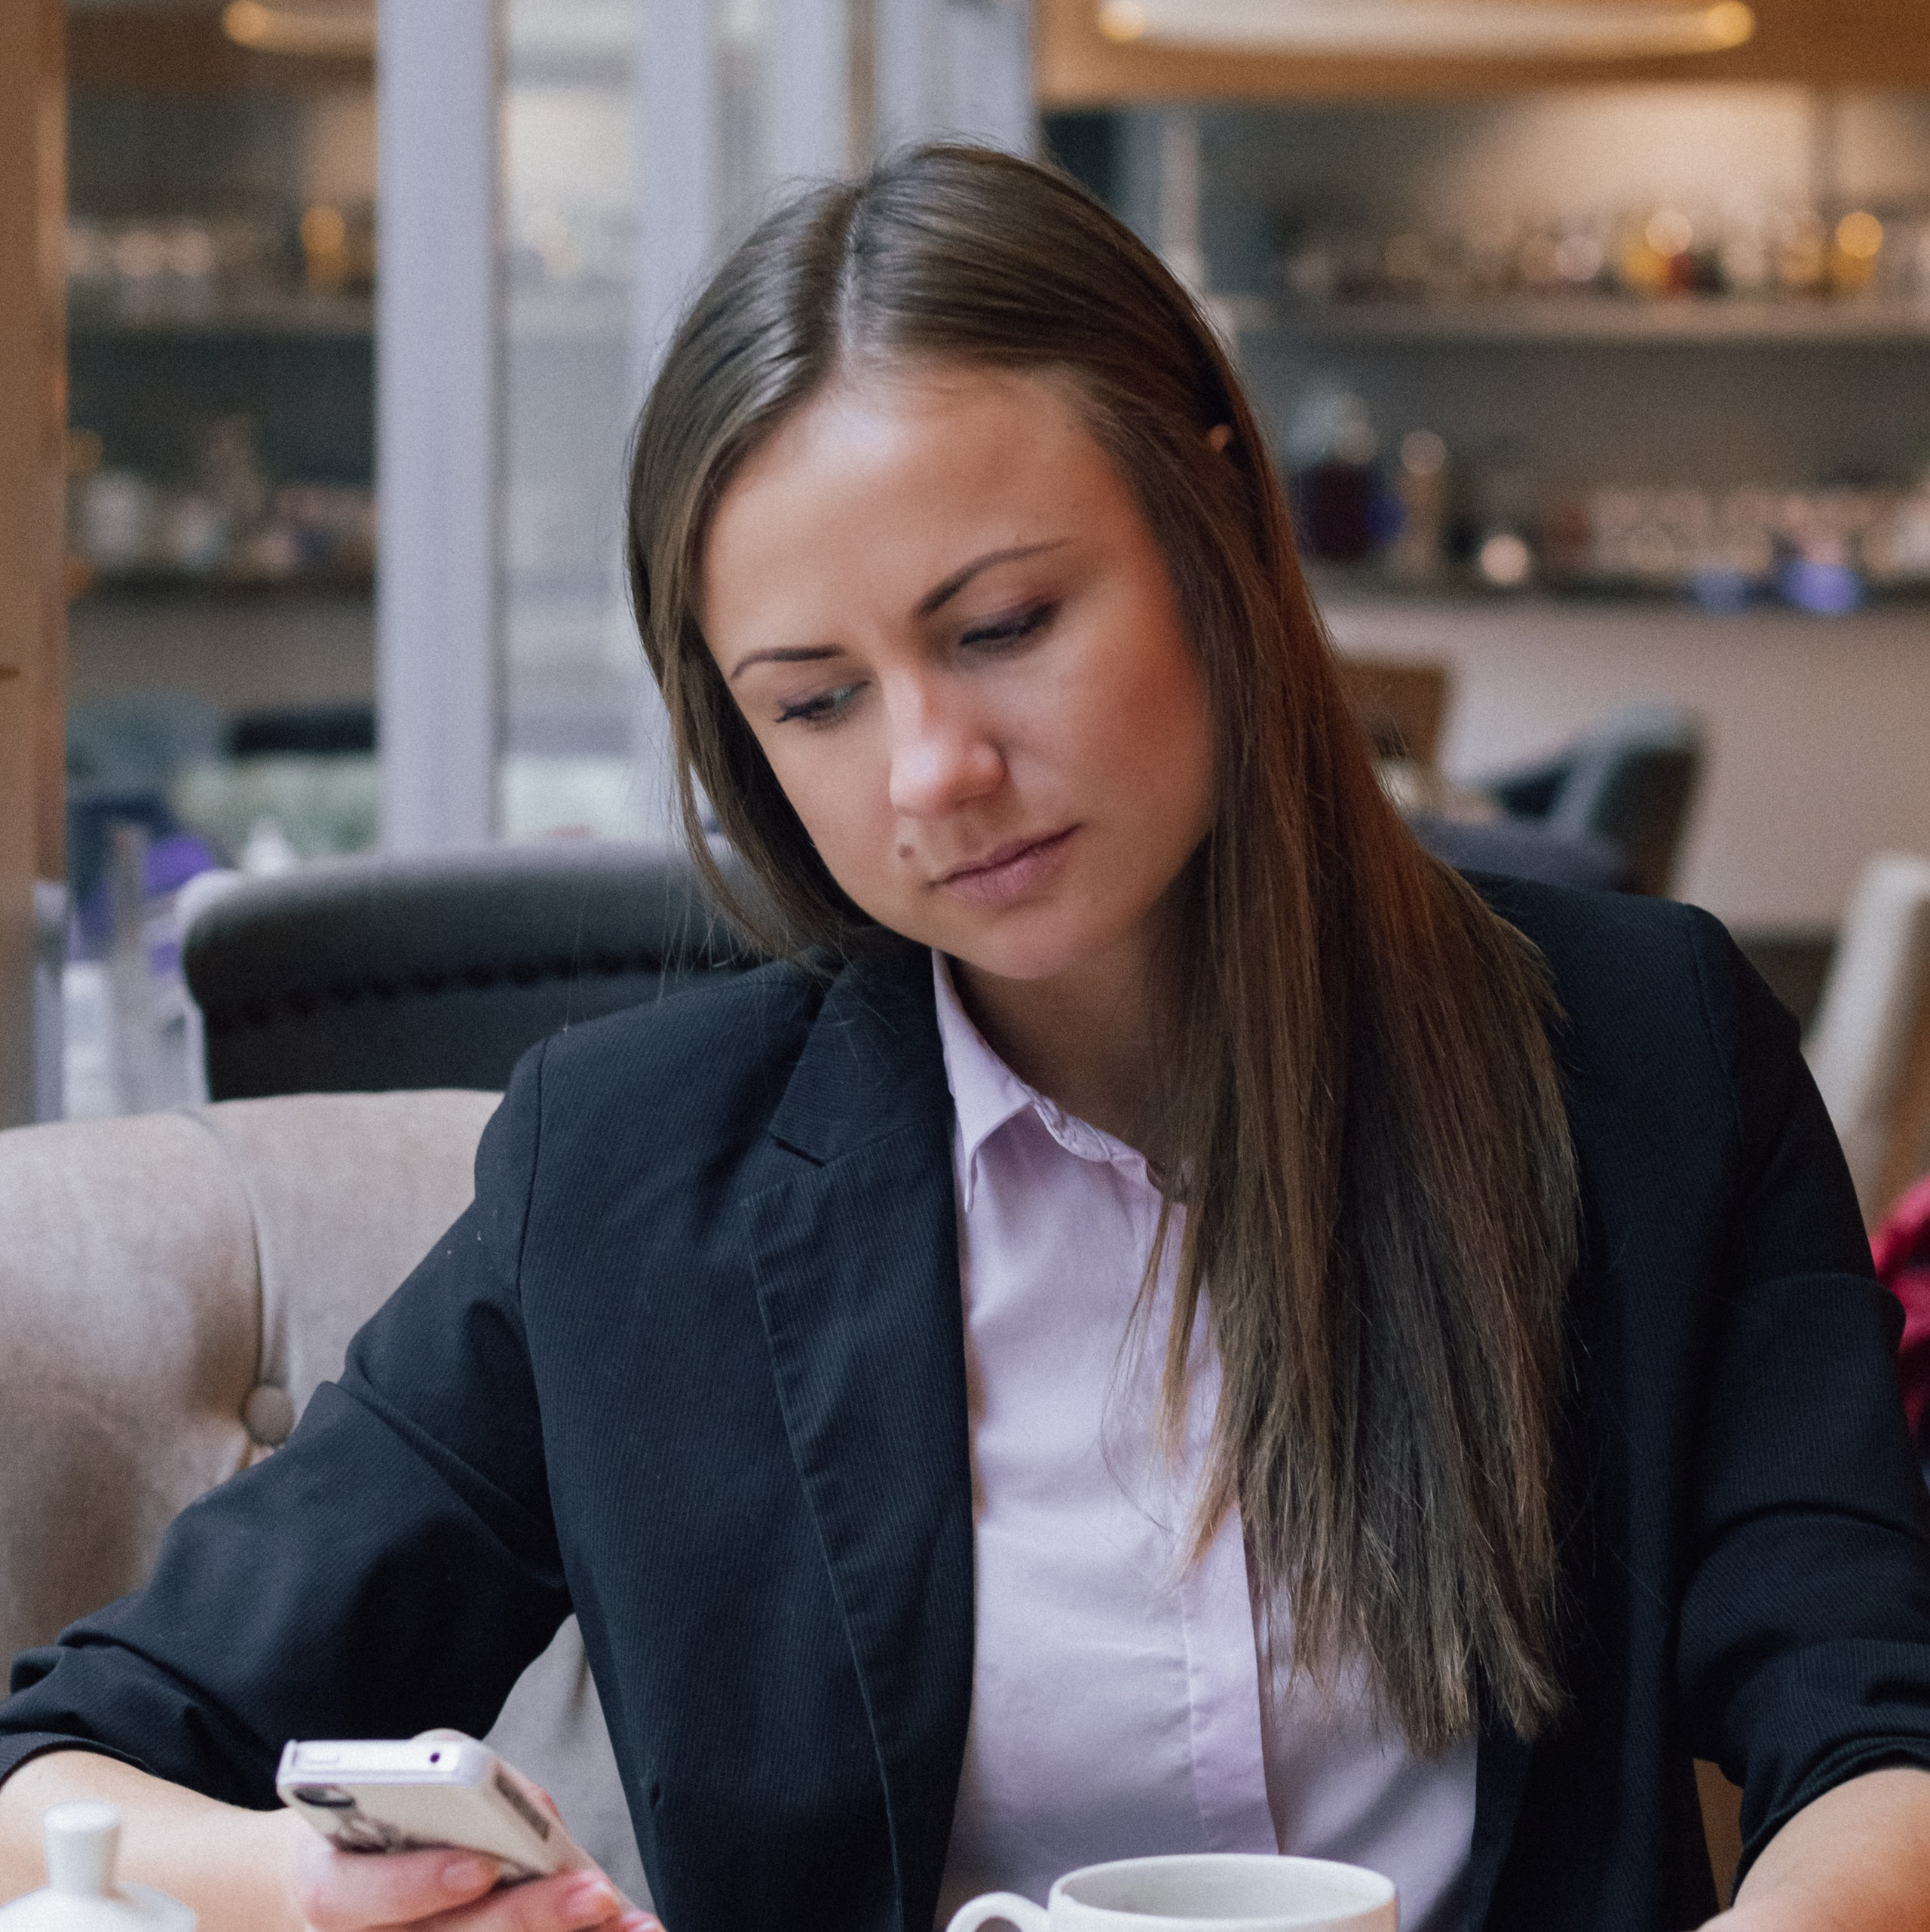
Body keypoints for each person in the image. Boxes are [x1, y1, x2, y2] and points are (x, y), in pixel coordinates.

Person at [4, 143, 1930, 1932]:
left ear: (1220, 524)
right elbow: (57, 1764)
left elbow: (1878, 1731)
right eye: (815, 698)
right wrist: (298, 1885)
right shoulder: (624, 1176)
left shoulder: (1644, 1058)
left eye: (1002, 625)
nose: (933, 770)